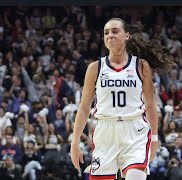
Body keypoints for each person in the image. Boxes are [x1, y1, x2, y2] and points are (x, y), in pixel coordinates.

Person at [70, 17, 173, 180]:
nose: (110, 35)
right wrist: (74, 143)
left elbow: (151, 106)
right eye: (106, 32)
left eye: (115, 31)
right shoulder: (95, 68)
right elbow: (83, 108)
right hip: (105, 131)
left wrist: (154, 138)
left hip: (135, 129)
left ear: (127, 35)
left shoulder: (141, 66)